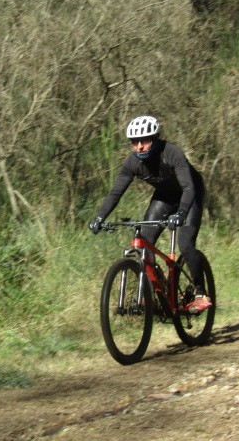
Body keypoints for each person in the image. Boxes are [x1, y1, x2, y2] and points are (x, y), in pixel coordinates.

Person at [89, 115, 212, 313]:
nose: (139, 146)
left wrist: (181, 213)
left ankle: (200, 292)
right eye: (134, 142)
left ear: (155, 139)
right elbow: (115, 193)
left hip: (190, 194)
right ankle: (156, 293)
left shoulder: (172, 152)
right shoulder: (132, 163)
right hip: (164, 196)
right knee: (144, 241)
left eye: (144, 141)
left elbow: (188, 187)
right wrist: (99, 218)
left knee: (185, 244)